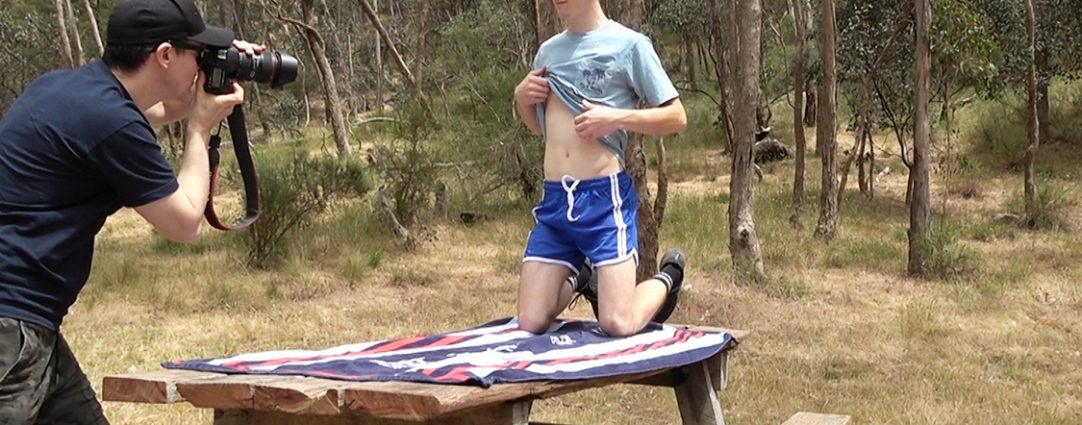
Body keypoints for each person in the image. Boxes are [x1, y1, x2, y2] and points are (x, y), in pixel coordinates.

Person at [0, 0, 262, 423]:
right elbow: (184, 222)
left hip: (29, 323)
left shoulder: (65, 88)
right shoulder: (112, 121)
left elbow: (159, 109)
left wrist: (217, 78)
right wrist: (199, 130)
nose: (201, 64)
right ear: (165, 55)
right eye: (198, 54)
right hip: (12, 328)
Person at [514, 0, 688, 337]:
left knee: (616, 323)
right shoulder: (548, 52)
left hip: (604, 201)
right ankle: (580, 277)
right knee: (531, 322)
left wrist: (615, 118)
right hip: (556, 202)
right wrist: (521, 99)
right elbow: (539, 128)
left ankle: (669, 276)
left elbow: (677, 117)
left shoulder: (630, 45)